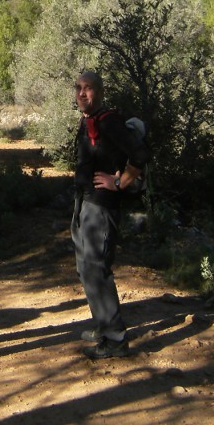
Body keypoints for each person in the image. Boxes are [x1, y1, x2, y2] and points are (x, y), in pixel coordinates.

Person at [71, 70, 149, 359]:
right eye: (78, 88)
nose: (81, 93)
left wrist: (120, 182)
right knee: (85, 268)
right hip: (85, 203)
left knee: (96, 268)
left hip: (101, 207)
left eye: (88, 88)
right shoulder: (89, 120)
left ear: (100, 92)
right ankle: (103, 325)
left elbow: (139, 154)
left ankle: (115, 339)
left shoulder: (109, 121)